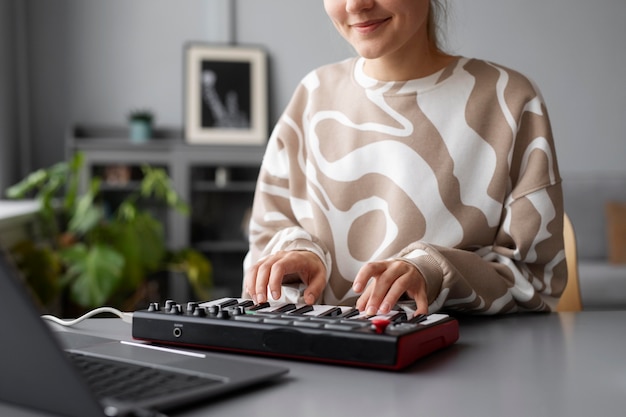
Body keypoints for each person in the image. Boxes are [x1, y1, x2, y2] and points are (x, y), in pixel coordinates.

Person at [243, 0, 566, 316]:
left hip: (457, 357)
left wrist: (434, 272)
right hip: (315, 354)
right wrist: (296, 254)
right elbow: (265, 241)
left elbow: (538, 280)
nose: (356, 5)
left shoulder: (508, 99)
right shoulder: (313, 94)